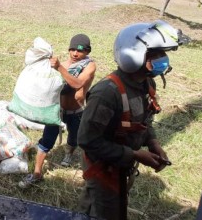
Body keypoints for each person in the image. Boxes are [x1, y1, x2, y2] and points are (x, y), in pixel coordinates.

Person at [77, 20, 189, 220]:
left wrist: (153, 143)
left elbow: (145, 121)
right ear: (133, 55)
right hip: (103, 169)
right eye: (156, 55)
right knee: (103, 213)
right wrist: (135, 155)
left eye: (164, 54)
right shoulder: (106, 94)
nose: (163, 59)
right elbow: (87, 140)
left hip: (122, 166)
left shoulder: (147, 84)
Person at [18, 34, 97, 188]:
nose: (75, 54)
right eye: (72, 49)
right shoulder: (64, 64)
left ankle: (69, 154)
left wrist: (59, 68)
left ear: (87, 52)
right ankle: (37, 174)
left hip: (76, 112)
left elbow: (77, 83)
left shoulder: (89, 65)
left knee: (74, 138)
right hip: (57, 111)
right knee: (46, 140)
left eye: (79, 51)